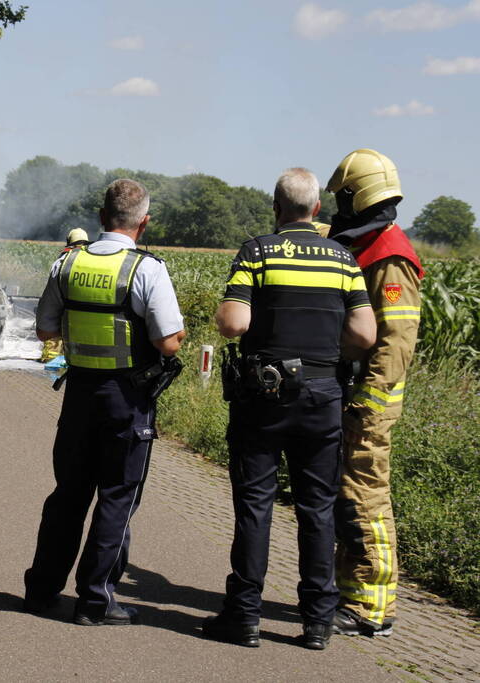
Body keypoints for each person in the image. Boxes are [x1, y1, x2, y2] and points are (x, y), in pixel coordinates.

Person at [203, 168, 376, 651]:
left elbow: (233, 324)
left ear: (276, 208)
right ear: (317, 209)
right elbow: (365, 337)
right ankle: (318, 622)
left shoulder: (258, 251)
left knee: (255, 505)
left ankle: (243, 617)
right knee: (316, 508)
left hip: (265, 397)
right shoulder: (343, 258)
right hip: (323, 397)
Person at [23, 179, 186, 626]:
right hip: (127, 399)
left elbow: (44, 330)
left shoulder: (67, 264)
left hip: (78, 395)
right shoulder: (146, 270)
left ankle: (41, 590)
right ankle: (96, 601)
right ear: (144, 221)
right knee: (117, 496)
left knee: (68, 496)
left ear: (100, 218)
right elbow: (169, 342)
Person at [324, 149, 423, 637]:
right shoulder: (366, 243)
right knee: (347, 497)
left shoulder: (389, 253)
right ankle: (348, 592)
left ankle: (372, 608)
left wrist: (369, 400)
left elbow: (397, 340)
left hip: (369, 401)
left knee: (365, 497)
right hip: (351, 392)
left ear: (353, 196)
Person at [39, 228, 92, 363]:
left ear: (69, 242)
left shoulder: (62, 262)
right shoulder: (93, 261)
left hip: (64, 313)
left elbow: (51, 297)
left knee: (55, 355)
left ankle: (52, 361)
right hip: (85, 320)